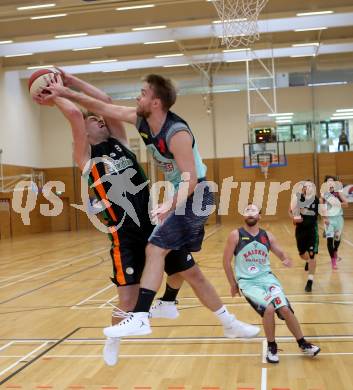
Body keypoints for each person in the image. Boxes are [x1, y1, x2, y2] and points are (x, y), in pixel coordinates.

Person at [35, 72, 259, 353]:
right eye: (94, 120)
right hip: (124, 235)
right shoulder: (86, 157)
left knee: (193, 273)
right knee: (127, 300)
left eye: (101, 119)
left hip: (152, 224)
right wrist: (55, 93)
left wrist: (68, 82)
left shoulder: (121, 142)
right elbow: (76, 117)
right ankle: (114, 338)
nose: (99, 120)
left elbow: (104, 102)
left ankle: (223, 320)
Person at [223, 204, 320, 363]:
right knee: (269, 308)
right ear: (243, 216)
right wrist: (233, 283)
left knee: (285, 309)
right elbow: (226, 262)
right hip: (248, 283)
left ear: (259, 216)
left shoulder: (266, 236)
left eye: (254, 211)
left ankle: (303, 343)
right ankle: (271, 346)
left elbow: (280, 252)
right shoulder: (235, 235)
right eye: (247, 211)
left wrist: (285, 259)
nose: (251, 214)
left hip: (268, 279)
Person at [289, 180, 319, 292]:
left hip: (312, 230)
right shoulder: (297, 198)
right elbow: (290, 211)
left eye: (311, 186)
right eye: (306, 186)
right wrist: (293, 217)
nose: (308, 188)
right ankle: (307, 261)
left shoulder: (316, 199)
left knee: (312, 255)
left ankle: (310, 281)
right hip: (300, 230)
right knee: (302, 254)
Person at [320, 175, 348, 269]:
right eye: (328, 181)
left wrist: (338, 203)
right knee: (329, 240)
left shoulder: (338, 193)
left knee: (337, 238)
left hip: (339, 219)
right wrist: (324, 218)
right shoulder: (324, 195)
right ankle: (333, 261)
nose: (330, 183)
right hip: (329, 220)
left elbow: (346, 204)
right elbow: (322, 208)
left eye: (332, 181)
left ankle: (335, 251)